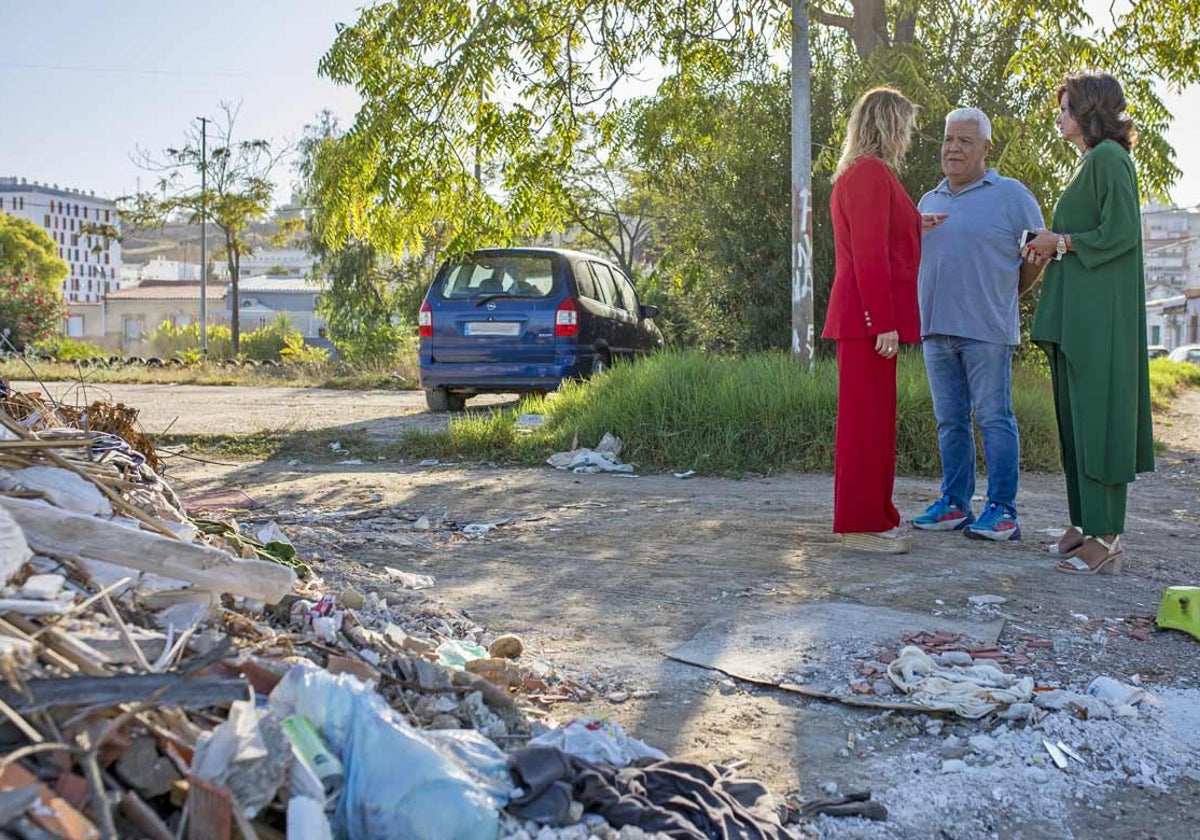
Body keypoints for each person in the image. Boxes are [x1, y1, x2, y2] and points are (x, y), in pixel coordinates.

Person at [1023, 72, 1154, 574]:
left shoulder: (1109, 159)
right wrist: (1050, 240)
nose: (1058, 117)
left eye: (1065, 109)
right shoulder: (1087, 164)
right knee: (1076, 420)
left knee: (1098, 421)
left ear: (1087, 113)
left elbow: (1121, 231)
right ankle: (1084, 522)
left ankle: (1108, 533)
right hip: (1078, 313)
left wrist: (1063, 241)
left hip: (1100, 318)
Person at [911, 108, 1045, 540]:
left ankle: (1002, 512)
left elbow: (1037, 256)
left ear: (986, 148)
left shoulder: (1012, 196)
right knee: (949, 420)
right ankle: (954, 503)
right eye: (949, 139)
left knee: (994, 418)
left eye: (965, 141)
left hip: (986, 331)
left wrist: (1005, 295)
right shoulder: (928, 201)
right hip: (935, 329)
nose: (953, 148)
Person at [822, 87, 921, 553]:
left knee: (876, 422)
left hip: (866, 320)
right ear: (889, 125)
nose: (908, 135)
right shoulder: (870, 174)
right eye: (904, 124)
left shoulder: (864, 174)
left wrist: (922, 222)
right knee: (865, 424)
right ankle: (860, 522)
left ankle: (875, 514)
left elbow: (886, 233)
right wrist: (881, 320)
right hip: (866, 321)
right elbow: (869, 255)